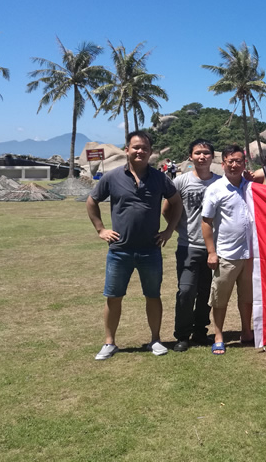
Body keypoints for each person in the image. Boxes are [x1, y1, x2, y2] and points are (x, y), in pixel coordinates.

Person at [86, 131, 183, 360]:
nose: (140, 151)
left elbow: (176, 202)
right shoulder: (111, 177)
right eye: (136, 147)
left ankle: (155, 340)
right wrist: (101, 229)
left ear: (150, 152)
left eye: (145, 148)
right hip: (120, 250)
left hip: (150, 249)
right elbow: (92, 201)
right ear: (127, 150)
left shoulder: (160, 178)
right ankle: (109, 343)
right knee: (113, 296)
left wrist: (169, 230)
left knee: (153, 295)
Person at [165, 139, 221, 352]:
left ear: (212, 156)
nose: (202, 156)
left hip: (213, 248)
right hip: (187, 246)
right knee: (186, 290)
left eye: (206, 153)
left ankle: (200, 331)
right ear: (190, 156)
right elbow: (166, 209)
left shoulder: (220, 182)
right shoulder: (181, 181)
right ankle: (182, 334)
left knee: (206, 292)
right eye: (197, 153)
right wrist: (179, 229)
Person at [201, 144, 255, 355]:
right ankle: (219, 336)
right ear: (223, 164)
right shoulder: (215, 189)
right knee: (220, 298)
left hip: (249, 253)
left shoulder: (251, 187)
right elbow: (206, 222)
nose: (234, 165)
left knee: (247, 297)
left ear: (244, 163)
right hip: (226, 254)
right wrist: (211, 252)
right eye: (230, 161)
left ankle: (247, 332)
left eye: (238, 161)